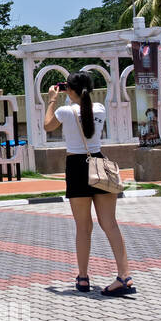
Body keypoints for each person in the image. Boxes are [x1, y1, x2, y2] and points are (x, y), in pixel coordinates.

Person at [44, 71, 135, 296]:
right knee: (110, 224)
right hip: (99, 164)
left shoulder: (65, 111)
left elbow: (47, 126)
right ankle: (125, 276)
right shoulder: (100, 109)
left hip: (76, 167)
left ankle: (83, 278)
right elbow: (85, 110)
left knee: (83, 227)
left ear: (70, 90)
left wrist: (52, 99)